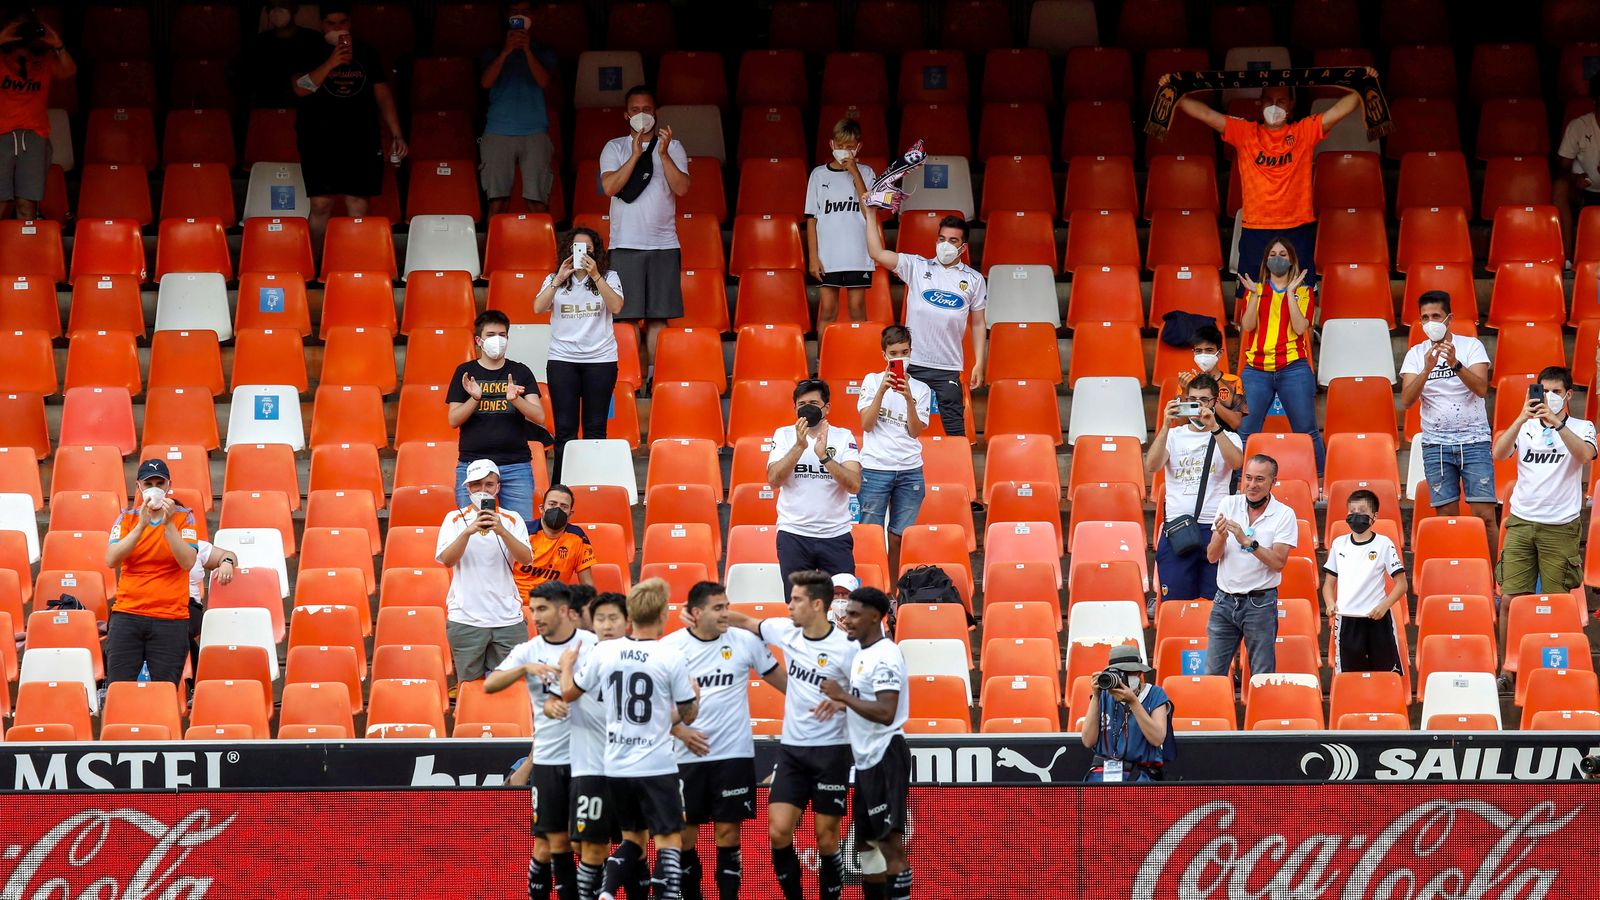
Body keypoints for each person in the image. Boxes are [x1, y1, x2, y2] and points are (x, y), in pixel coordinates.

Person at [561, 578, 698, 900]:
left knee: (632, 839)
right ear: (663, 615)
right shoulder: (671, 655)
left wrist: (566, 666)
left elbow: (569, 693)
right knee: (668, 840)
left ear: (630, 617)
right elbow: (687, 715)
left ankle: (608, 891)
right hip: (656, 764)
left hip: (616, 765)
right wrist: (696, 697)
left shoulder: (605, 651)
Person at [726, 570, 858, 900]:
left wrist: (841, 701)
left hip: (832, 751)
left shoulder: (848, 648)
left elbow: (871, 699)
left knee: (827, 839)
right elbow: (750, 623)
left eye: (796, 599)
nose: (789, 605)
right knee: (779, 831)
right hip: (793, 751)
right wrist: (712, 614)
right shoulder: (786, 630)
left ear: (817, 605)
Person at [1169, 76, 1370, 290]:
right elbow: (1207, 115)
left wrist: (1363, 84)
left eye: (1281, 101)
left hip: (1297, 227)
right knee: (1252, 295)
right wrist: (1176, 93)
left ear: (1291, 105)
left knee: (1300, 295)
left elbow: (1337, 111)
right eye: (1269, 101)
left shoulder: (1304, 131)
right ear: (1260, 103)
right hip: (1256, 228)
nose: (1274, 107)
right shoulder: (1244, 132)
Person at [662, 581, 786, 900]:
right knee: (684, 838)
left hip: (733, 754)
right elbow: (652, 709)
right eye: (718, 608)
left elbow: (785, 684)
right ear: (695, 613)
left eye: (727, 606)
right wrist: (680, 732)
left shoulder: (744, 641)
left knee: (728, 835)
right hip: (685, 755)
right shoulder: (670, 648)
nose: (725, 614)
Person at [485, 581, 596, 900]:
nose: (535, 616)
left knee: (588, 844)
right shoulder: (528, 650)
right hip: (549, 759)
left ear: (563, 610)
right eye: (533, 610)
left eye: (542, 609)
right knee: (550, 843)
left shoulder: (592, 645)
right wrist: (523, 668)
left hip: (589, 758)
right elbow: (490, 684)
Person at [862, 204, 987, 441]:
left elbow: (979, 323)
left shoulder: (974, 279)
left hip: (948, 366)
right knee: (902, 426)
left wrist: (979, 362)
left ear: (963, 247)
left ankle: (956, 465)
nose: (945, 245)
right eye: (942, 239)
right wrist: (870, 214)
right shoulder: (916, 266)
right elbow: (877, 253)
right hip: (911, 363)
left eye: (953, 240)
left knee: (954, 430)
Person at [819, 587, 912, 900]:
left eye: (854, 614)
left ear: (875, 617)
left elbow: (886, 712)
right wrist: (842, 704)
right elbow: (867, 701)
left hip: (886, 754)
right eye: (847, 613)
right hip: (866, 760)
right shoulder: (863, 653)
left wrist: (843, 696)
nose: (846, 619)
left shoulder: (885, 655)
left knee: (890, 844)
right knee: (867, 845)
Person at [290, 3, 408, 249]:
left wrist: (396, 133)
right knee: (320, 204)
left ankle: (354, 260)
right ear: (322, 24)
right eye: (331, 23)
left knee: (358, 204)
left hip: (361, 136)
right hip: (318, 138)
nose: (337, 27)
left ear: (350, 23)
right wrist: (331, 63)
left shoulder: (366, 52)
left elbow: (382, 94)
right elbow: (301, 89)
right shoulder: (307, 49)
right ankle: (316, 262)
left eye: (342, 22)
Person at [600, 84, 689, 378]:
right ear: (626, 115)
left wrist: (662, 154)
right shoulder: (614, 147)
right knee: (625, 320)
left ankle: (655, 378)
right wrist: (635, 155)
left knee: (658, 319)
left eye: (647, 109)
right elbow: (610, 187)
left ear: (656, 112)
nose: (642, 115)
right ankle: (628, 379)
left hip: (664, 245)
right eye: (635, 110)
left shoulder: (673, 147)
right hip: (625, 245)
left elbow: (682, 188)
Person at [1398, 290, 1497, 558]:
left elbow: (1481, 388)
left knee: (1485, 516)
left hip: (1474, 441)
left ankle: (1493, 577)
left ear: (1449, 319)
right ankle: (1457, 571)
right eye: (1425, 317)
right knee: (1447, 518)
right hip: (1436, 446)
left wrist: (1455, 364)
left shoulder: (1471, 346)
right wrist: (1427, 369)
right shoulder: (1416, 354)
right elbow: (1407, 399)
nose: (1430, 322)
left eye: (1436, 316)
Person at [1492, 366, 1597, 601]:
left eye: (1556, 391)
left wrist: (1556, 423)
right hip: (1522, 520)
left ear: (1568, 395)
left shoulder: (1583, 427)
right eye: (1544, 391)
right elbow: (1499, 453)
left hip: (1560, 524)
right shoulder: (1524, 426)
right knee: (1511, 599)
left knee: (1556, 601)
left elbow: (1585, 456)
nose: (1550, 397)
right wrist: (1521, 417)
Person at [1146, 374, 1244, 606]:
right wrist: (1166, 425)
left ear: (1214, 402)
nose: (1197, 405)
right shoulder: (1173, 436)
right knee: (1175, 604)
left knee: (1216, 605)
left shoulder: (1229, 437)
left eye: (1203, 400)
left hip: (1216, 527)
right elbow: (1152, 465)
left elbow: (1236, 463)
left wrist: (1215, 428)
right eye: (1192, 400)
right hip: (1178, 528)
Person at [536, 227, 625, 483]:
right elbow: (538, 307)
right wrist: (558, 278)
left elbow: (617, 306)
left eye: (588, 250)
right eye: (578, 249)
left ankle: (594, 486)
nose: (583, 254)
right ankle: (561, 488)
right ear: (568, 250)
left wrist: (595, 275)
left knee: (596, 429)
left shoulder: (609, 276)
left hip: (601, 361)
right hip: (562, 360)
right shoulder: (554, 278)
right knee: (565, 430)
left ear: (597, 252)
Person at [436, 459, 535, 681]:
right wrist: (467, 532)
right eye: (476, 484)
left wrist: (502, 531)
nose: (483, 490)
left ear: (498, 487)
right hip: (466, 619)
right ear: (468, 488)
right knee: (470, 688)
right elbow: (448, 560)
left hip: (507, 619)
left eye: (489, 484)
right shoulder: (454, 519)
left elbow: (526, 559)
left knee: (512, 688)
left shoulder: (512, 519)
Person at [103, 459, 200, 684]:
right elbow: (111, 559)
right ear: (139, 487)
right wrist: (141, 526)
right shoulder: (127, 517)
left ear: (168, 486)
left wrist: (168, 524)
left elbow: (187, 561)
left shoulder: (184, 516)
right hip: (127, 614)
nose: (154, 488)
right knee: (119, 687)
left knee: (164, 690)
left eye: (159, 483)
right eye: (148, 484)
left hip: (170, 618)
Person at [447, 309, 546, 525]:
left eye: (502, 335)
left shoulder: (521, 371)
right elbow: (453, 419)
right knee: (471, 529)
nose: (497, 340)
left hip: (515, 466)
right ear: (479, 340)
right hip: (472, 465)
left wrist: (516, 400)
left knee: (519, 529)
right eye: (491, 335)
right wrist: (475, 398)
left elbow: (539, 416)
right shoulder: (465, 372)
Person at [1205, 454, 1298, 677]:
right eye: (1248, 478)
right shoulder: (1228, 503)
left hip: (1260, 603)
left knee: (1262, 675)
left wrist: (1248, 542)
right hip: (1224, 600)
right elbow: (1212, 557)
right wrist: (1220, 536)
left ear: (1273, 481)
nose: (1252, 485)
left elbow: (1278, 563)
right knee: (1212, 674)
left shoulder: (1284, 514)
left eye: (1259, 479)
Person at [1236, 237, 1322, 474]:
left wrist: (1290, 293)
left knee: (1307, 431)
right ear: (1266, 261)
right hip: (1256, 369)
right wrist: (1254, 296)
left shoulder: (1304, 292)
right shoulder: (1255, 290)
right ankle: (1237, 481)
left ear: (1292, 260)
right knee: (1245, 431)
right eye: (1273, 254)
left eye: (1283, 255)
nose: (1277, 259)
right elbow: (1247, 325)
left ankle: (1320, 482)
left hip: (1293, 367)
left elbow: (1300, 327)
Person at [572, 591, 635, 900]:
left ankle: (611, 892)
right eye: (600, 619)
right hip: (591, 765)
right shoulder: (578, 657)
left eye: (614, 618)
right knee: (589, 846)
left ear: (628, 621)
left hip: (633, 766)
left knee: (636, 844)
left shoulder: (644, 657)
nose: (607, 625)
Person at [767, 380, 863, 584]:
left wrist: (824, 457)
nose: (807, 409)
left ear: (826, 408)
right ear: (795, 408)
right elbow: (774, 480)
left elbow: (854, 485)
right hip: (793, 534)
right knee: (798, 599)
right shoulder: (783, 435)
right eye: (802, 404)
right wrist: (799, 447)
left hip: (836, 535)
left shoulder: (843, 436)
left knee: (841, 600)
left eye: (813, 403)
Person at [857, 325, 930, 582]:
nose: (900, 358)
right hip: (875, 468)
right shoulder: (871, 381)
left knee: (899, 536)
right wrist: (882, 390)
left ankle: (895, 590)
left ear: (911, 351)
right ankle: (871, 587)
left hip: (910, 470)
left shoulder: (921, 389)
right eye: (894, 353)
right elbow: (866, 424)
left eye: (905, 352)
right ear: (884, 355)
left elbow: (915, 431)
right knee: (870, 534)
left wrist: (908, 398)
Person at [479, 0, 558, 216]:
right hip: (498, 130)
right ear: (507, 16)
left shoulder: (543, 51)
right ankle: (494, 240)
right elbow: (485, 83)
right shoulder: (493, 51)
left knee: (537, 201)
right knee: (497, 202)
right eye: (515, 12)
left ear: (533, 16)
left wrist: (527, 50)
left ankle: (538, 239)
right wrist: (506, 52)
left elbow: (544, 82)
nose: (520, 16)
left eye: (525, 12)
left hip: (535, 131)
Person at [1322, 490, 1408, 675]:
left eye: (1362, 511)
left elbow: (1402, 584)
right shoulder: (1339, 544)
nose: (1356, 516)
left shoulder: (1384, 543)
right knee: (1349, 677)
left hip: (1378, 620)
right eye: (1352, 511)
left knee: (1385, 675)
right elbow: (1328, 584)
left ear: (1374, 516)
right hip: (1347, 619)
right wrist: (1330, 603)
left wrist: (1384, 607)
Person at [0, 12, 72, 221]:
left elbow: (68, 72)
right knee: (1, 203)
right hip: (2, 135)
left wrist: (58, 44)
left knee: (27, 204)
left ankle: (25, 242)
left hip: (34, 136)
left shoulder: (46, 59)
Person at [805, 118, 877, 325]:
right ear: (831, 144)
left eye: (850, 147)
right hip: (828, 256)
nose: (844, 151)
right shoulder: (818, 175)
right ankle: (823, 349)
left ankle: (860, 347)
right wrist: (813, 258)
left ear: (858, 147)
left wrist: (855, 173)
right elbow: (811, 219)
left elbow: (868, 211)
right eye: (840, 146)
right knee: (827, 310)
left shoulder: (867, 173)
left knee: (857, 308)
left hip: (858, 253)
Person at [1079, 645, 1175, 783]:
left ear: (1139, 673)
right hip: (1104, 774)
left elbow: (1157, 738)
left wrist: (1133, 702)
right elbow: (1088, 741)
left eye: (1129, 672)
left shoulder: (1155, 694)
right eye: (1119, 673)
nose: (1123, 677)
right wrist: (1095, 696)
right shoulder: (1104, 694)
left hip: (1141, 775)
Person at [513, 484, 598, 600]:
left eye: (564, 506)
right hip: (515, 604)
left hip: (554, 605)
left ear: (570, 514)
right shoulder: (522, 531)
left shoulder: (578, 537)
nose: (557, 510)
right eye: (552, 504)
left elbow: (587, 586)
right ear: (541, 508)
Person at [1555, 74, 1600, 267]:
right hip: (1583, 192)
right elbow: (1562, 169)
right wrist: (1575, 179)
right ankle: (1567, 259)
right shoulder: (1578, 126)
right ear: (1596, 101)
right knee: (1559, 188)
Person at [248, 1, 322, 108]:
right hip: (269, 108)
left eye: (282, 5)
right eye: (272, 7)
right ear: (267, 11)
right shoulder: (259, 42)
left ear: (294, 8)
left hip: (306, 107)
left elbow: (317, 80)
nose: (277, 11)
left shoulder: (313, 39)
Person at [185, 540, 238, 685]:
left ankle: (197, 684)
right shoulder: (148, 542)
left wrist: (227, 562)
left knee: (179, 629)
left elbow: (228, 555)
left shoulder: (194, 543)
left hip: (188, 604)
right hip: (155, 603)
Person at [1174, 323, 1246, 430]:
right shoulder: (1187, 382)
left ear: (1219, 353)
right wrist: (1185, 392)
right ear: (1194, 353)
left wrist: (1210, 399)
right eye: (1199, 351)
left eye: (1209, 350)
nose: (1203, 355)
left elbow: (1235, 423)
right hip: (1194, 437)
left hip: (1223, 436)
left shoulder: (1233, 382)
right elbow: (1180, 424)